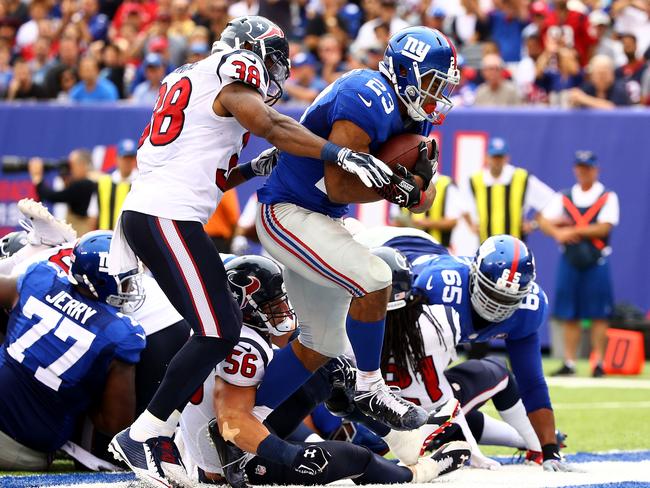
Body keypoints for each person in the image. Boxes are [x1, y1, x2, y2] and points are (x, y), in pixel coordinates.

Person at [107, 15, 394, 488]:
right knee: (219, 327)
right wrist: (337, 153)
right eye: (276, 60)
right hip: (165, 214)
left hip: (158, 211)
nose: (276, 73)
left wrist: (249, 170)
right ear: (253, 49)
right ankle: (147, 432)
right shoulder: (236, 66)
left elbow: (205, 170)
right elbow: (271, 123)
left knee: (219, 326)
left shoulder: (190, 76)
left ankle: (151, 431)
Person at [252, 27, 456, 453]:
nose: (437, 95)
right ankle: (369, 386)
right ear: (406, 70)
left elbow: (421, 199)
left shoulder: (410, 115)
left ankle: (245, 419)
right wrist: (395, 186)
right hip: (288, 210)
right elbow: (340, 185)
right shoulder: (366, 94)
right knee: (376, 275)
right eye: (433, 83)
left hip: (319, 218)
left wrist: (416, 186)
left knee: (320, 343)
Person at [176, 254, 470, 485]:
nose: (281, 308)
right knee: (355, 459)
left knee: (328, 367)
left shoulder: (231, 331)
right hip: (231, 458)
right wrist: (288, 455)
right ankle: (421, 472)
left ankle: (400, 439)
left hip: (235, 435)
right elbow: (231, 423)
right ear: (244, 304)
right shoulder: (244, 346)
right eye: (271, 303)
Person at [352, 226, 579, 472]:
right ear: (474, 275)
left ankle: (533, 440)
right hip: (380, 247)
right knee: (393, 412)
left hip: (425, 268)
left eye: (508, 299)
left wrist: (548, 450)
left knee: (428, 407)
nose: (498, 305)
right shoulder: (437, 289)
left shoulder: (527, 310)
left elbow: (532, 381)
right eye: (493, 293)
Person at [0, 231, 146, 471]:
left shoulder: (41, 277)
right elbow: (114, 424)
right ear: (103, 280)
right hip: (23, 449)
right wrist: (82, 386)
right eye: (126, 279)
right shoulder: (122, 334)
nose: (131, 286)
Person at [539, 151, 619, 378]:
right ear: (575, 169)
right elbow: (542, 220)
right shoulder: (564, 196)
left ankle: (599, 363)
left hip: (596, 260)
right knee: (569, 313)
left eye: (588, 167)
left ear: (596, 170)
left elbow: (604, 227)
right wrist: (557, 233)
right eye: (580, 167)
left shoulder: (606, 196)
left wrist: (572, 229)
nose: (583, 171)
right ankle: (570, 362)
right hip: (570, 259)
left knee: (598, 314)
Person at [466, 137, 555, 245]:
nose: (497, 161)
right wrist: (471, 224)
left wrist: (534, 224)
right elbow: (463, 207)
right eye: (494, 157)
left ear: (507, 158)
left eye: (500, 157)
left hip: (516, 249)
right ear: (487, 157)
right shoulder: (476, 181)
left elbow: (550, 200)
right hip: (486, 248)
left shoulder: (521, 178)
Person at [28, 149, 97, 236]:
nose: (70, 169)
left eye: (72, 165)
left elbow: (53, 197)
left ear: (82, 165)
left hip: (79, 232)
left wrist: (37, 178)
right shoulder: (88, 183)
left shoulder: (84, 184)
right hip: (79, 230)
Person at [88, 139, 138, 231]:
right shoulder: (103, 183)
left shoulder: (140, 183)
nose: (127, 162)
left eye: (130, 158)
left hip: (131, 239)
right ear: (117, 159)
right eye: (124, 158)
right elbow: (93, 213)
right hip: (106, 239)